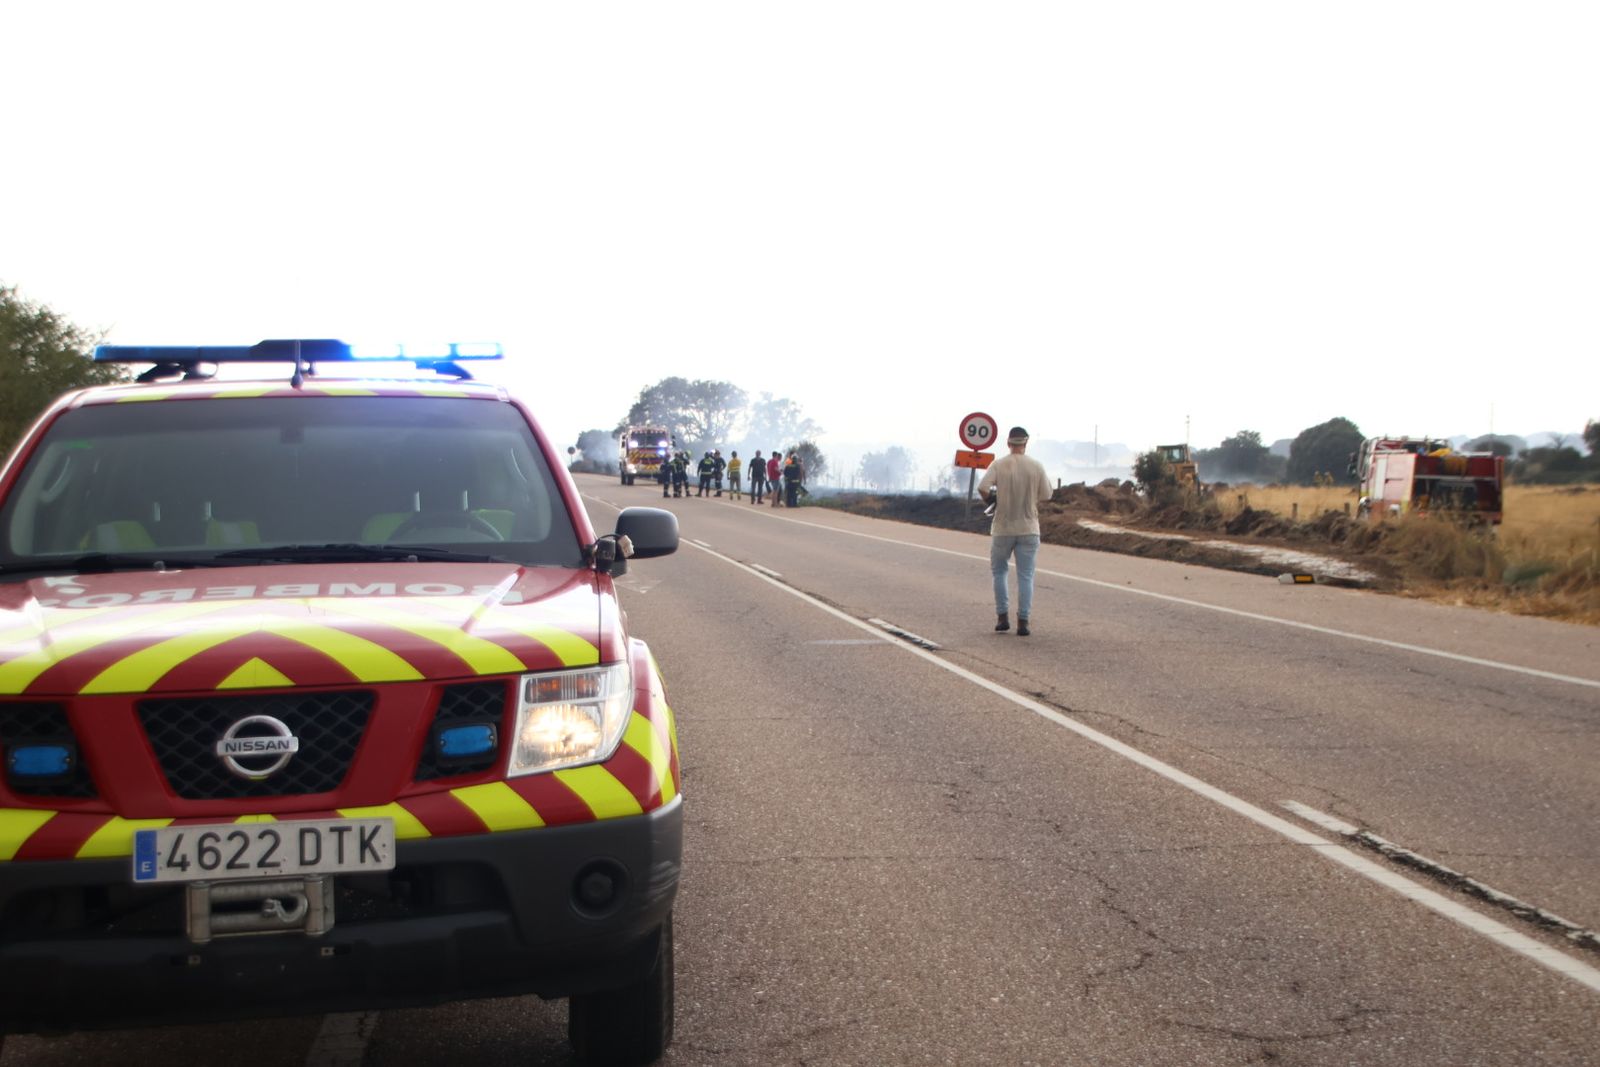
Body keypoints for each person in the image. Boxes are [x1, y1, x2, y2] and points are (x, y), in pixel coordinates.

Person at [976, 426, 1053, 636]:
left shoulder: (999, 464)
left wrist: (992, 499)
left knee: (999, 572)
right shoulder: (1036, 466)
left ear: (1009, 444)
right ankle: (1023, 621)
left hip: (1002, 528)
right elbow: (1046, 494)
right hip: (1029, 528)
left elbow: (982, 487)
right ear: (1025, 444)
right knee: (1026, 576)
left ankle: (1002, 617)